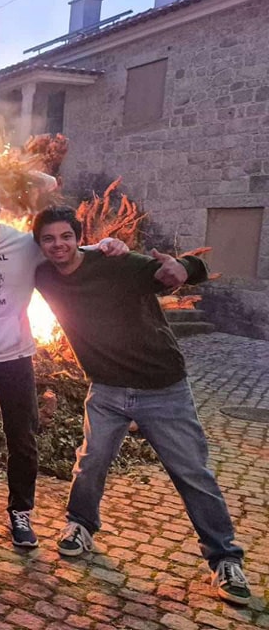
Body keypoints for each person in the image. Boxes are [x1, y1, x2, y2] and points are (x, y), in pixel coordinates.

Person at [31, 206, 252, 606]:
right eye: (48, 239)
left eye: (66, 237)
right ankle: (79, 526)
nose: (58, 245)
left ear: (77, 238)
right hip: (107, 389)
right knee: (91, 461)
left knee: (192, 473)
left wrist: (185, 268)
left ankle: (225, 559)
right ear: (40, 244)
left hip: (161, 386)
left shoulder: (117, 264)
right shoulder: (43, 272)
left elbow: (184, 269)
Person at [0, 179, 127, 547]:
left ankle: (20, 512)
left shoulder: (24, 244)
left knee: (22, 439)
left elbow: (66, 253)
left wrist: (106, 245)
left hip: (15, 357)